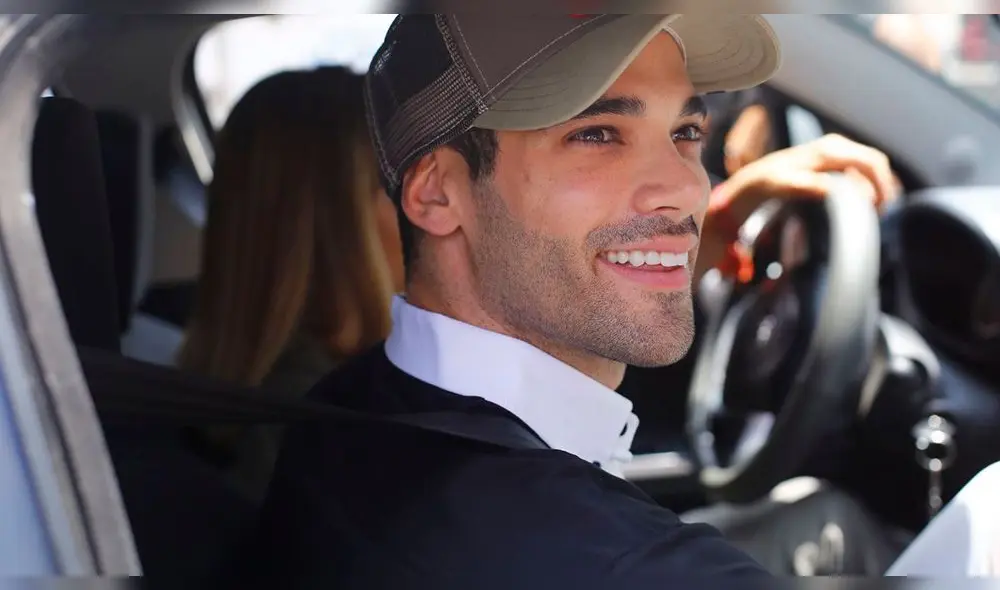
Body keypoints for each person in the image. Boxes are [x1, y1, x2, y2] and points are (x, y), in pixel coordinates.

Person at [251, 15, 899, 587]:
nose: (685, 186)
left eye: (685, 130)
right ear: (437, 193)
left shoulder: (341, 412)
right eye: (597, 134)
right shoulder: (628, 565)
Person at [176, 66, 404, 499]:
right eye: (400, 183)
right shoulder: (345, 422)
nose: (429, 210)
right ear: (339, 223)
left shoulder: (206, 405)